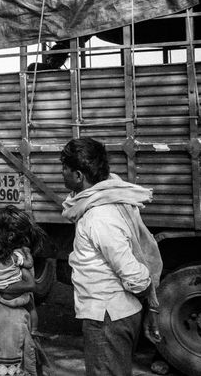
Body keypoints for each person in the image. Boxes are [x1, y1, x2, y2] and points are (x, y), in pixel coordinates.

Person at [60, 137, 162, 376]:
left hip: (107, 318)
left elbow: (134, 275)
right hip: (112, 314)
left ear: (78, 175)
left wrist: (146, 294)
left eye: (64, 169)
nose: (61, 174)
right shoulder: (104, 201)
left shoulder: (99, 216)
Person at [0, 206, 50, 376]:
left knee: (14, 361)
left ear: (10, 235)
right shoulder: (9, 254)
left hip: (15, 317)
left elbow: (30, 284)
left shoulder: (18, 255)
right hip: (10, 316)